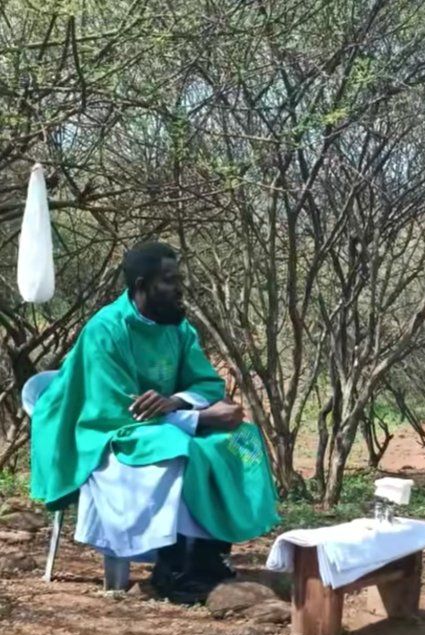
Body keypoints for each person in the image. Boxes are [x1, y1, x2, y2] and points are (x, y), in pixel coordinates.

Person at [30, 241, 279, 599]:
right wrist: (200, 418)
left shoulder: (177, 327)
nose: (178, 288)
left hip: (160, 420)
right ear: (142, 285)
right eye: (169, 280)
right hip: (96, 427)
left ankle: (208, 556)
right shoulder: (106, 330)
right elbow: (116, 408)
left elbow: (205, 381)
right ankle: (175, 568)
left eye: (178, 278)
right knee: (178, 449)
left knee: (238, 439)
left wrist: (176, 401)